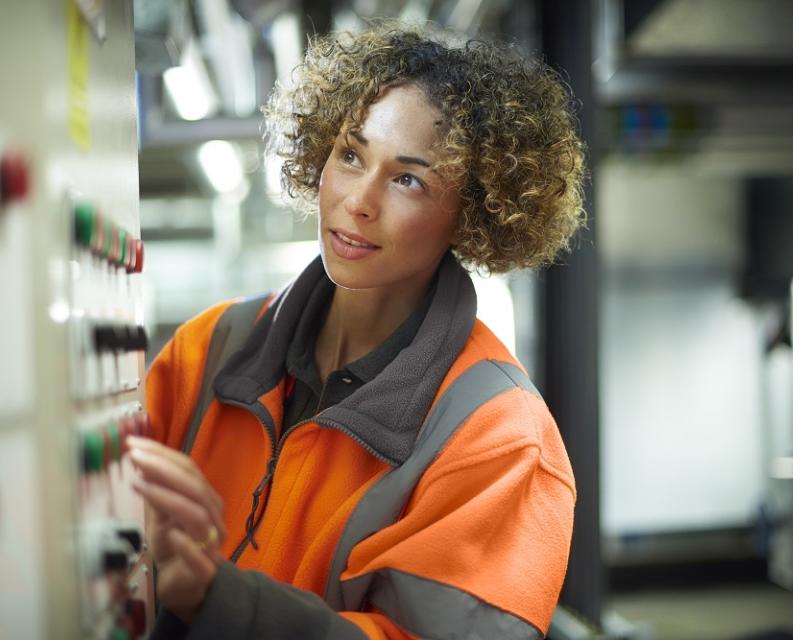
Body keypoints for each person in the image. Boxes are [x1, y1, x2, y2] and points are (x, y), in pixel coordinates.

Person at [131, 20, 586, 640]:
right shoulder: (206, 350)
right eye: (350, 154)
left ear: (472, 212)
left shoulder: (501, 439)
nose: (359, 201)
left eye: (408, 179)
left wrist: (223, 602)